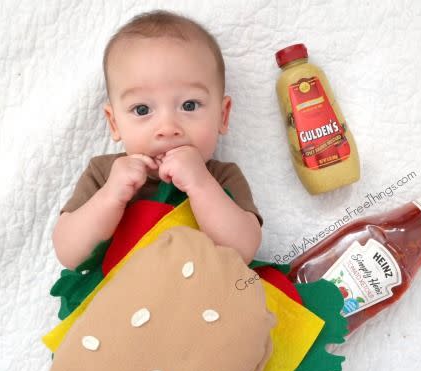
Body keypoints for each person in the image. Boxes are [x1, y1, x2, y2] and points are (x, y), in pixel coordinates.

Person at [52, 9, 263, 276]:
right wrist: (111, 196)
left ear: (222, 115)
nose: (167, 128)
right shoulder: (104, 174)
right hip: (122, 303)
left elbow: (243, 251)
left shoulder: (220, 178)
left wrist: (200, 185)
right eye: (142, 110)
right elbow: (69, 254)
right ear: (114, 123)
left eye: (189, 105)